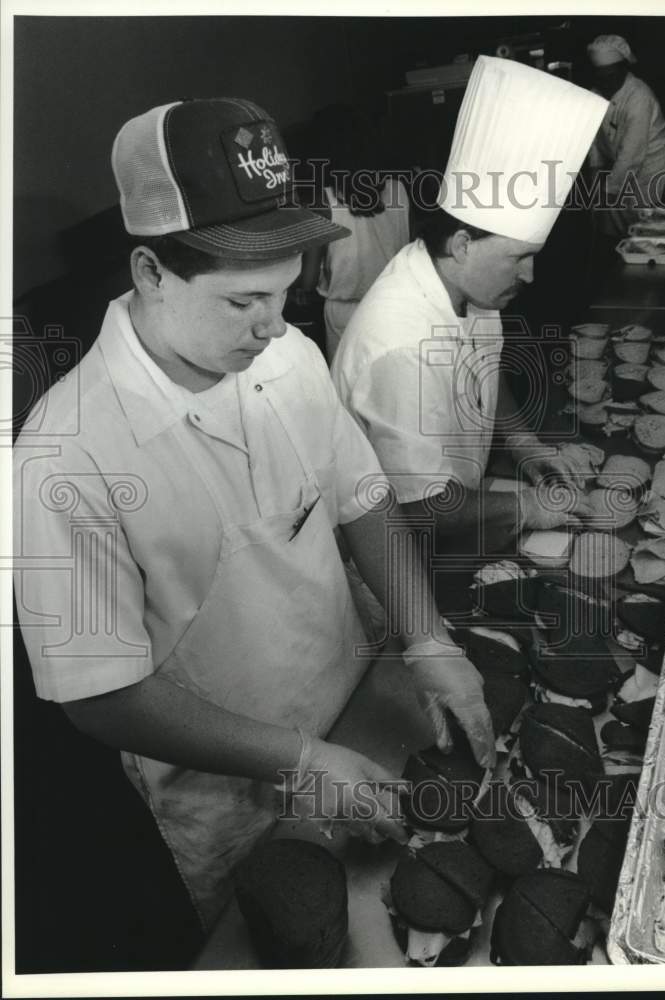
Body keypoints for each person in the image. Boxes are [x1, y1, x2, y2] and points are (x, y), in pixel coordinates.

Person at [13, 97, 495, 936]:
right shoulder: (65, 455)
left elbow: (362, 497)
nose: (274, 327)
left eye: (286, 293)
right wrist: (300, 760)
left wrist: (427, 639)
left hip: (362, 708)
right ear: (150, 272)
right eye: (243, 303)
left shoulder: (291, 358)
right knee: (291, 940)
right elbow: (100, 698)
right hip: (233, 784)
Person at [331, 57, 607, 554]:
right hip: (397, 552)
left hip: (461, 502)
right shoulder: (402, 346)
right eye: (519, 258)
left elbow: (484, 370)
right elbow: (418, 509)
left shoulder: (472, 286)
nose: (530, 276)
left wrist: (524, 444)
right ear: (462, 243)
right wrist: (526, 507)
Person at [295, 104, 410, 363]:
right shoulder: (398, 189)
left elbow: (308, 279)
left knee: (351, 392)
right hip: (397, 305)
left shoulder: (322, 201)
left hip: (345, 316)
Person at [586, 34, 665, 237]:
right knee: (614, 234)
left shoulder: (639, 97)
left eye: (611, 75)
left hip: (650, 172)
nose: (606, 82)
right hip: (619, 172)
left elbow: (631, 154)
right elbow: (594, 143)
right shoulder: (595, 94)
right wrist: (595, 180)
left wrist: (608, 191)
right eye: (601, 76)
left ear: (623, 69)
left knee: (645, 233)